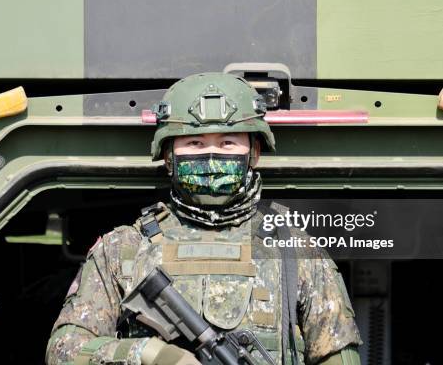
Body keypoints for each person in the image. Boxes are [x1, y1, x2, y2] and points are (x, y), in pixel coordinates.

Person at [46, 73, 362, 365]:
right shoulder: (123, 248)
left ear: (253, 153)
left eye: (227, 142)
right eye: (195, 143)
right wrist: (148, 353)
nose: (211, 156)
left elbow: (339, 357)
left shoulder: (294, 250)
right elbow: (64, 349)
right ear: (169, 155)